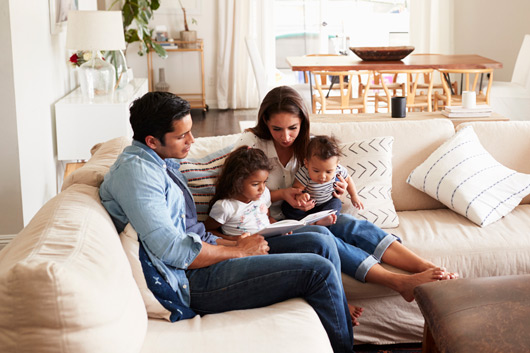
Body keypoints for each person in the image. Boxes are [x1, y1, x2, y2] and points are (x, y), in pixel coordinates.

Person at [99, 91, 356, 353]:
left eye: (190, 131)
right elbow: (173, 250)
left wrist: (234, 240)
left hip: (206, 253)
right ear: (152, 141)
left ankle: (338, 315)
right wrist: (237, 251)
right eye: (181, 136)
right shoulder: (137, 174)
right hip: (191, 280)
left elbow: (190, 233)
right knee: (318, 270)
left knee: (320, 240)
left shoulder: (159, 161)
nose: (192, 140)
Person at [234, 86, 458, 303]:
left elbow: (330, 175)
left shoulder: (309, 146)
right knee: (326, 237)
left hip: (309, 215)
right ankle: (399, 283)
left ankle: (427, 267)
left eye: (293, 127)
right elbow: (236, 195)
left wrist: (337, 189)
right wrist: (283, 194)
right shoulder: (252, 146)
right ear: (265, 122)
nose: (286, 137)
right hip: (270, 226)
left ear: (302, 121)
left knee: (350, 224)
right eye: (277, 129)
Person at [281, 135, 364, 226]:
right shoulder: (304, 173)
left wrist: (354, 195)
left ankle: (324, 220)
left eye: (328, 171)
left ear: (336, 165)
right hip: (308, 206)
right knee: (286, 206)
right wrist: (300, 196)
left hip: (326, 203)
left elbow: (348, 179)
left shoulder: (338, 170)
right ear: (307, 163)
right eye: (316, 171)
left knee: (336, 203)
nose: (322, 177)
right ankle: (309, 222)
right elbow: (296, 188)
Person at [204, 145, 275, 238]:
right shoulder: (225, 207)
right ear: (237, 182)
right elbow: (207, 230)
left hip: (271, 238)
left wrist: (278, 227)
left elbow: (267, 217)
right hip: (251, 249)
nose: (262, 188)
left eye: (265, 182)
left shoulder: (264, 194)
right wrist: (233, 240)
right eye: (255, 184)